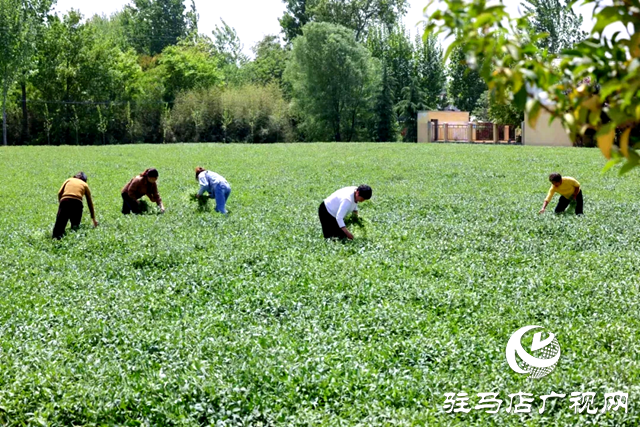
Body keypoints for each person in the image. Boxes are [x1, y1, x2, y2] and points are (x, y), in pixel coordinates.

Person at [52, 172, 98, 239]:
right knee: (75, 224)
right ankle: (74, 237)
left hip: (65, 200)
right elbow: (89, 202)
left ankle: (56, 237)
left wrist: (61, 204)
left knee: (60, 223)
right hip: (77, 203)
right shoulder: (85, 185)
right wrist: (93, 218)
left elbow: (59, 193)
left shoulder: (69, 180)